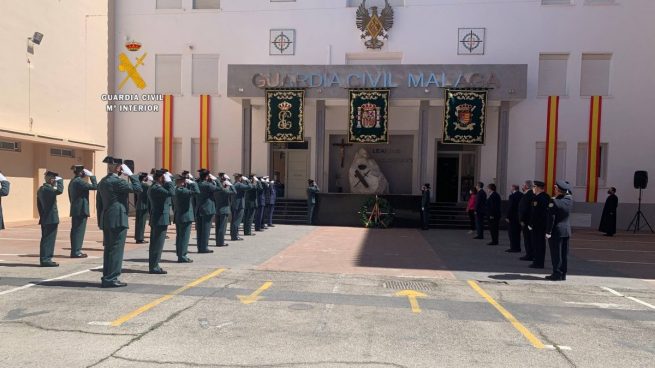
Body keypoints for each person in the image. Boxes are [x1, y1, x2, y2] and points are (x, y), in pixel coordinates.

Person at [97, 156, 142, 288]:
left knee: (109, 250)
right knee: (116, 250)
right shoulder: (117, 182)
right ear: (118, 168)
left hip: (108, 218)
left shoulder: (103, 181)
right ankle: (111, 278)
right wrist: (131, 175)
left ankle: (107, 277)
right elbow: (138, 189)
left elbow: (99, 202)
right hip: (118, 219)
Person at [147, 170, 175, 273]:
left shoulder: (154, 187)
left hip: (157, 218)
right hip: (160, 219)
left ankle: (154, 265)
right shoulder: (157, 188)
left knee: (156, 244)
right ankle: (154, 267)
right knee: (157, 244)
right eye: (164, 177)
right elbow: (172, 193)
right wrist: (169, 182)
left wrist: (169, 181)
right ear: (160, 178)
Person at [545, 180, 573, 281]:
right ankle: (563, 274)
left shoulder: (554, 201)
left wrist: (548, 232)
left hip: (556, 231)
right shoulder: (569, 200)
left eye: (555, 188)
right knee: (564, 254)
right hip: (566, 230)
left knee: (556, 254)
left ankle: (556, 273)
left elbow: (551, 218)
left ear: (558, 190)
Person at [68, 165, 97, 258]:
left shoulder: (72, 181)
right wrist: (92, 176)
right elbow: (95, 186)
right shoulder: (79, 182)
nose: (85, 174)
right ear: (80, 173)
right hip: (81, 210)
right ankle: (76, 252)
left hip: (76, 209)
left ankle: (75, 251)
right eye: (84, 172)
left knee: (76, 231)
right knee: (79, 231)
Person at [37, 171, 64, 267]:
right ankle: (46, 259)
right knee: (48, 239)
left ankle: (46, 258)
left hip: (46, 217)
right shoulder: (47, 189)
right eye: (54, 179)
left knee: (46, 239)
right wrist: (61, 181)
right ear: (50, 179)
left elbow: (39, 206)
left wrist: (42, 216)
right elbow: (60, 191)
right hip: (50, 218)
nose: (55, 181)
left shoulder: (41, 189)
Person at [174, 173, 199, 263]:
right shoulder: (182, 190)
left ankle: (180, 254)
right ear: (182, 181)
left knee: (180, 237)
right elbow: (196, 192)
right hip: (185, 217)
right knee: (184, 237)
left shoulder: (177, 189)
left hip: (179, 216)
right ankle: (182, 256)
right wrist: (193, 183)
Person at [529, 180, 550, 269]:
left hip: (538, 225)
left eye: (534, 187)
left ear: (537, 188)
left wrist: (531, 224)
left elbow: (535, 213)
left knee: (537, 244)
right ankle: (539, 262)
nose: (533, 188)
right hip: (543, 224)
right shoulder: (547, 196)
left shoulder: (538, 198)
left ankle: (538, 263)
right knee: (540, 244)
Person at [195, 169, 218, 253]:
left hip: (199, 209)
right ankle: (204, 248)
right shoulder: (208, 185)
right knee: (206, 229)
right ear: (207, 176)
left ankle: (200, 247)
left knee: (200, 230)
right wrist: (215, 180)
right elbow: (219, 188)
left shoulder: (197, 184)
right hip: (207, 209)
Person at [214, 173, 233, 247]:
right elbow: (234, 191)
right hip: (224, 210)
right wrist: (230, 183)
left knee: (217, 227)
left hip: (217, 209)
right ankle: (221, 242)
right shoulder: (225, 190)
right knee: (222, 227)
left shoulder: (216, 189)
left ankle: (218, 242)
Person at [518, 180, 535, 261]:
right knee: (529, 238)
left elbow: (524, 209)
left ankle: (529, 255)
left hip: (527, 221)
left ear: (527, 186)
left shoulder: (528, 195)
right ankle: (530, 254)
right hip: (529, 220)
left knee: (527, 238)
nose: (522, 186)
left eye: (523, 185)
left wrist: (522, 220)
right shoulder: (531, 194)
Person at [230, 173, 250, 241]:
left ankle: (233, 235)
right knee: (237, 221)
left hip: (234, 205)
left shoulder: (234, 184)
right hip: (240, 205)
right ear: (240, 178)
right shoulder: (239, 184)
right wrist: (248, 181)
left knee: (233, 221)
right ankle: (235, 236)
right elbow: (249, 187)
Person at [505, 184, 523, 253]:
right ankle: (518, 247)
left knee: (512, 233)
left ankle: (513, 247)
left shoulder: (512, 196)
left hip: (512, 217)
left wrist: (507, 216)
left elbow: (510, 207)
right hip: (518, 217)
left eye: (511, 188)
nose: (510, 189)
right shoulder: (522, 195)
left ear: (514, 188)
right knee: (517, 233)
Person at [134, 172, 151, 244]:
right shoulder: (145, 185)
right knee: (141, 223)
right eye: (147, 177)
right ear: (144, 178)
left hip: (138, 204)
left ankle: (138, 237)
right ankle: (140, 238)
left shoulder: (138, 184)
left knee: (138, 222)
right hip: (143, 205)